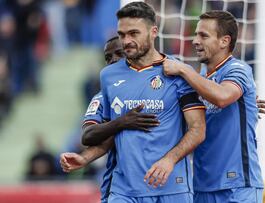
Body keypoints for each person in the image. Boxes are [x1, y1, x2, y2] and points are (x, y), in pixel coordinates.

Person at [80, 2, 206, 203]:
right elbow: (108, 134)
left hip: (172, 188)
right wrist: (85, 157)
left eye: (133, 33)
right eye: (122, 35)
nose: (126, 41)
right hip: (125, 191)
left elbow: (198, 129)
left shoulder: (178, 72)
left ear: (153, 32)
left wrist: (169, 160)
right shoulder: (108, 76)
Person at [162, 10, 263, 202]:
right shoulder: (201, 78)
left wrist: (184, 69)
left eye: (203, 35)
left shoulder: (238, 69)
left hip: (238, 186)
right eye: (196, 34)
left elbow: (223, 97)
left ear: (224, 41)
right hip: (202, 186)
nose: (195, 41)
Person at [60, 36, 160, 203]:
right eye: (108, 58)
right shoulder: (101, 97)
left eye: (119, 54)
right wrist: (122, 121)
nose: (113, 60)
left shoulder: (158, 89)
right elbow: (87, 136)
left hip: (162, 184)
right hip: (121, 187)